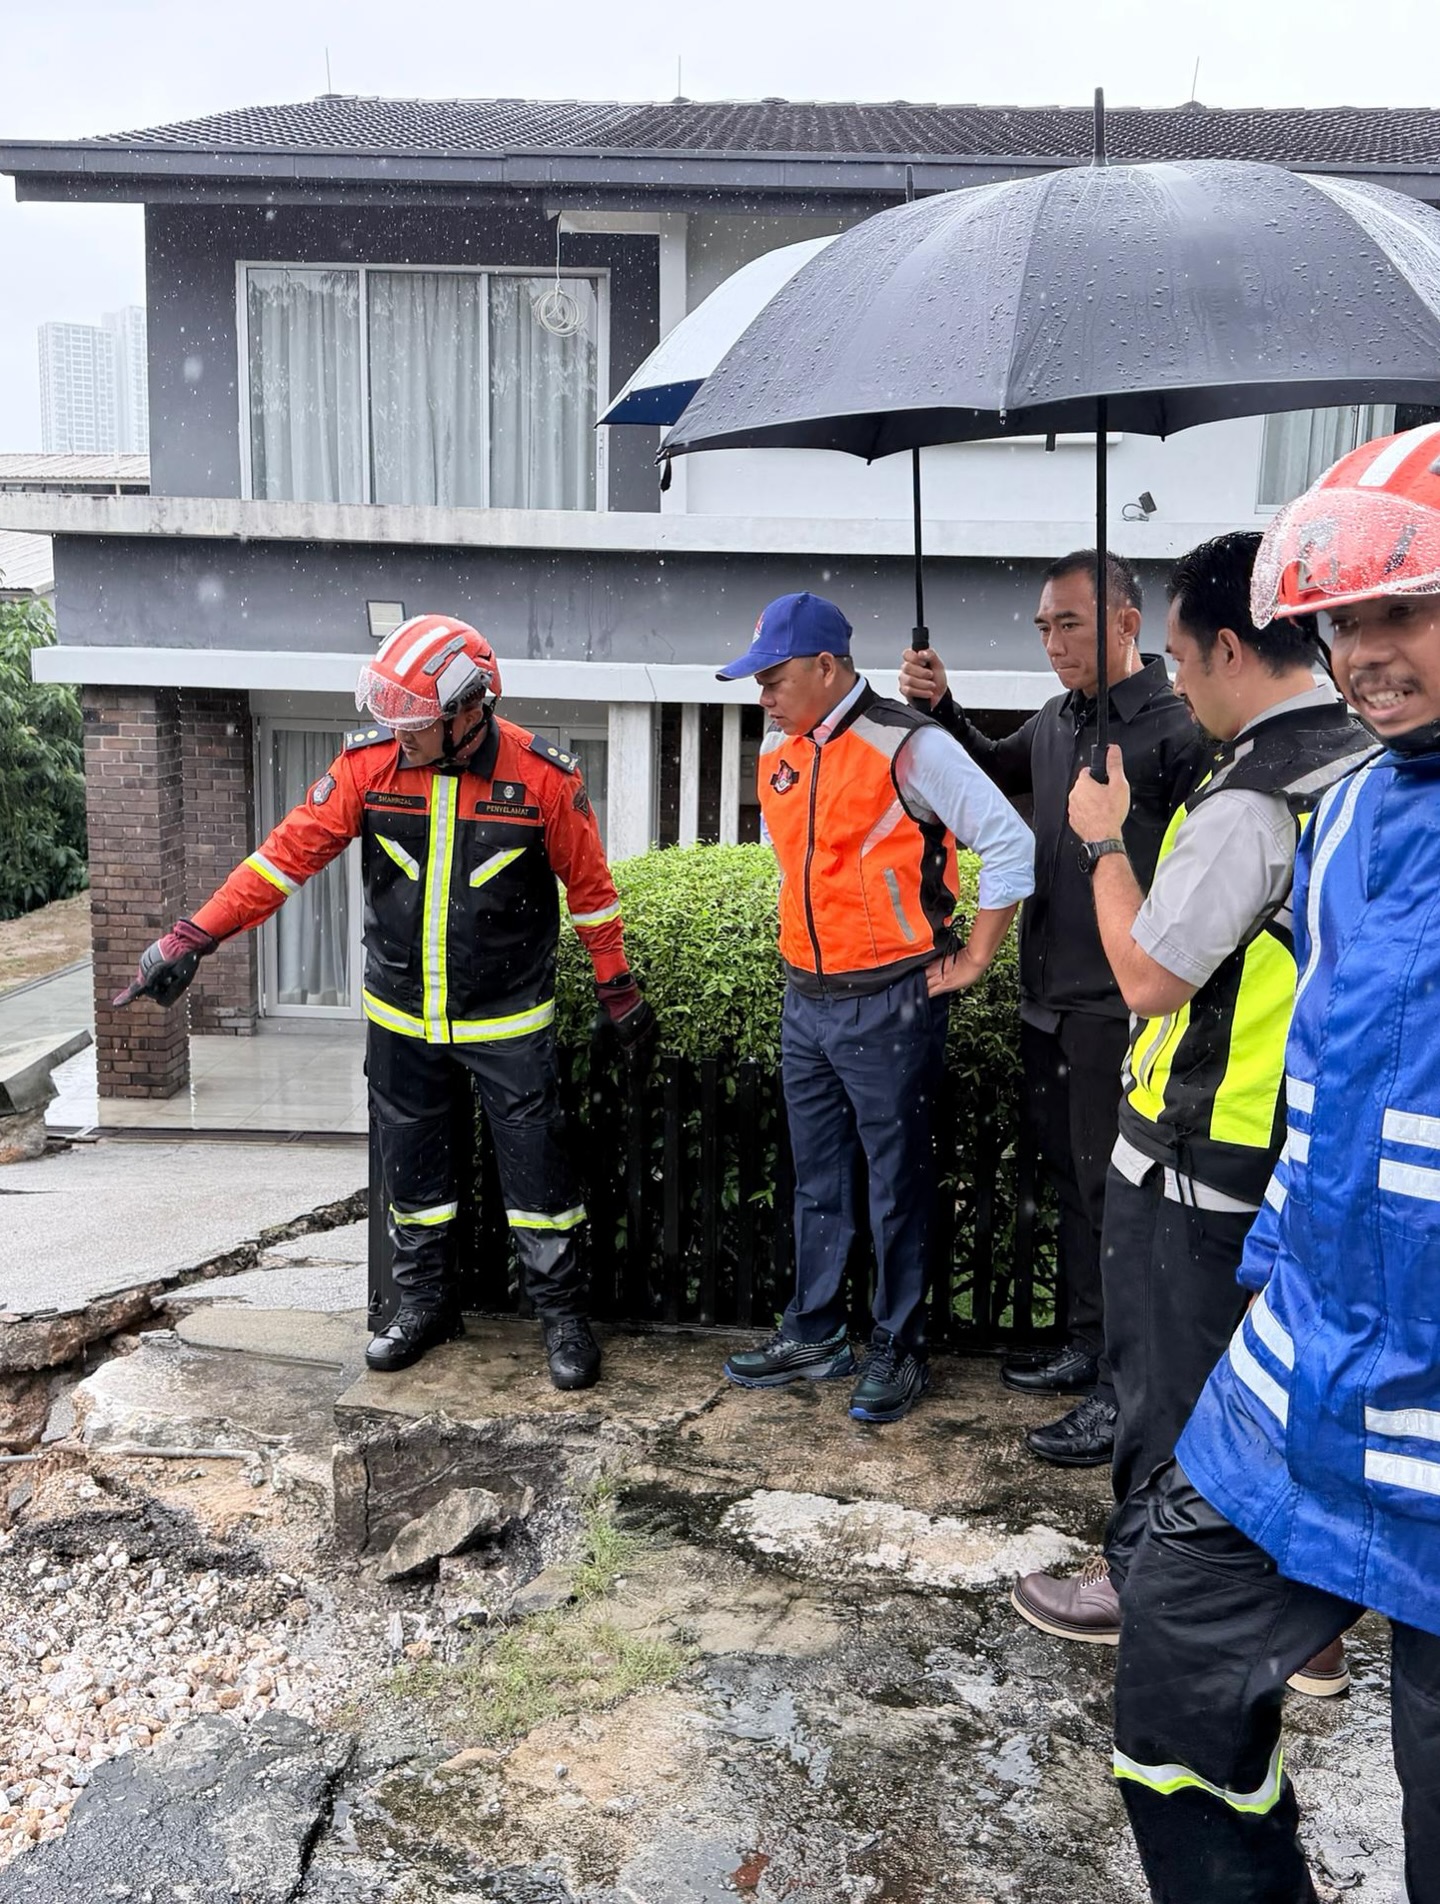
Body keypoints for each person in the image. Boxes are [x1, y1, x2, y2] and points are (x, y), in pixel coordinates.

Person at [1111, 426, 1440, 1904]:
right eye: (1347, 618)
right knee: (1174, 1692)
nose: (1367, 652)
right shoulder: (1356, 808)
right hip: (1303, 1376)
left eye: (1408, 611)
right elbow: (1331, 1081)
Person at [115, 615, 654, 1389]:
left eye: (414, 722)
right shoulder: (369, 767)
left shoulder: (543, 779)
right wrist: (192, 936)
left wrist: (618, 988)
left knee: (538, 1180)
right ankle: (425, 1306)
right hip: (401, 1018)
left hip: (508, 1021)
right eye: (391, 720)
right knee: (414, 1175)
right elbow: (281, 860)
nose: (396, 734)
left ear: (469, 713)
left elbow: (593, 893)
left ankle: (562, 1319)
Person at [1011, 532, 1370, 1674]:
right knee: (1276, 1384)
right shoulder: (1363, 760)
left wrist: (1106, 841)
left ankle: (1138, 1582)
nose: (1171, 680)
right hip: (1299, 1138)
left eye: (1176, 655)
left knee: (1168, 1386)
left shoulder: (1251, 795)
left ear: (1227, 646)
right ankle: (1304, 1626)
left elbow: (1149, 976)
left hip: (1196, 1145)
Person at [900, 552, 1203, 1467]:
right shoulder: (1059, 717)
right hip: (1049, 1002)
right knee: (1074, 1189)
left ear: (1124, 623)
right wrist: (941, 709)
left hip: (1123, 1006)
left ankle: (1125, 1391)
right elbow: (1000, 775)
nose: (1051, 641)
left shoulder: (1176, 728)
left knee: (1123, 1204)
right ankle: (1085, 1343)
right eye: (1042, 625)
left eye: (1069, 623)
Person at [716, 592, 1035, 1422]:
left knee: (899, 1184)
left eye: (775, 678)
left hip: (892, 1000)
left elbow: (1009, 842)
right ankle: (817, 1332)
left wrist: (973, 959)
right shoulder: (782, 748)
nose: (763, 696)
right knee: (819, 1178)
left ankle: (901, 1346)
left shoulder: (909, 744)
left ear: (827, 667)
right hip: (807, 999)